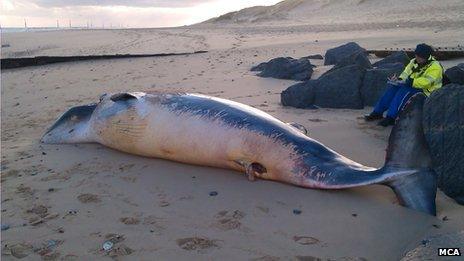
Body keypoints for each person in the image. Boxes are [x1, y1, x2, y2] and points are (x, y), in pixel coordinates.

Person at [365, 43, 443, 126]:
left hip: (427, 92)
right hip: (413, 85)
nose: (417, 58)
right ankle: (377, 112)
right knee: (393, 88)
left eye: (420, 56)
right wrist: (399, 80)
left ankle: (391, 117)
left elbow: (427, 82)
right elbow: (405, 73)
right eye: (416, 55)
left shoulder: (435, 66)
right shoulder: (414, 62)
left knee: (404, 91)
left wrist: (410, 82)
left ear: (426, 56)